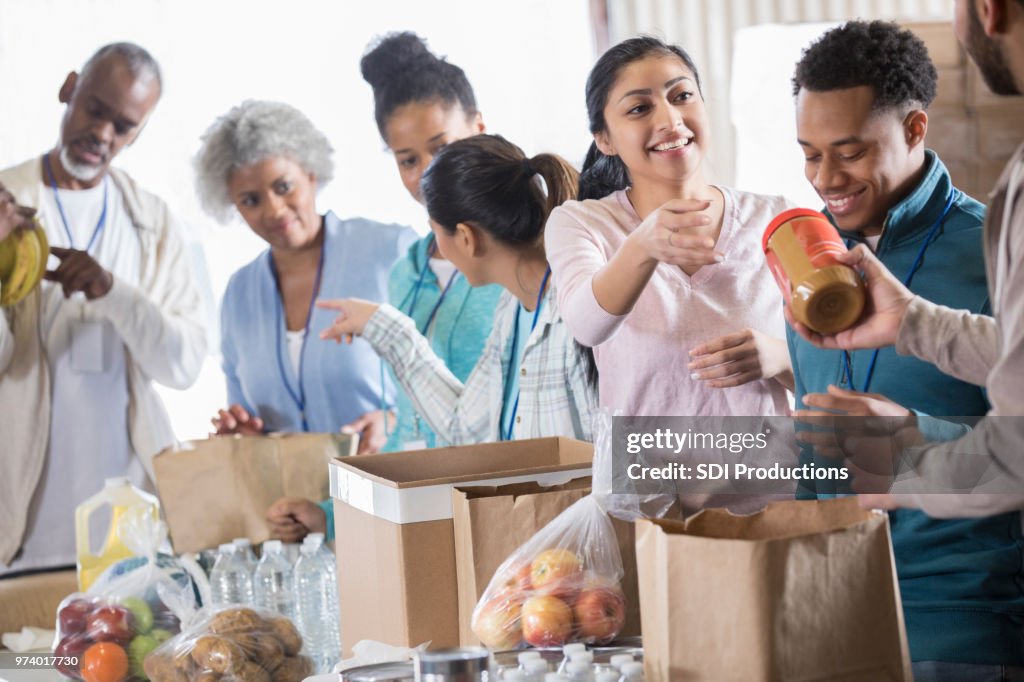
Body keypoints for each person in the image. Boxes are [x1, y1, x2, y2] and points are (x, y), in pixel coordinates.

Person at [786, 21, 1024, 679]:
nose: (826, 179)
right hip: (829, 622)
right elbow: (818, 456)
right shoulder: (807, 271)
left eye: (850, 151)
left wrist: (908, 448)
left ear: (916, 130)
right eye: (809, 154)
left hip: (960, 630)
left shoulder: (991, 251)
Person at [0, 43, 206, 576]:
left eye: (124, 126)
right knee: (21, 664)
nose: (104, 135)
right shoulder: (6, 201)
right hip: (20, 525)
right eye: (95, 109)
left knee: (123, 659)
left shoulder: (151, 220)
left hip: (128, 529)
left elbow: (182, 367)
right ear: (69, 89)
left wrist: (115, 292)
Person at [193, 100, 416, 542]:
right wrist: (243, 433)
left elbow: (451, 379)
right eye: (250, 200)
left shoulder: (390, 251)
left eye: (284, 186)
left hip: (391, 507)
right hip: (292, 531)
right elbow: (247, 412)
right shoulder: (238, 293)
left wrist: (394, 419)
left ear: (312, 174)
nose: (274, 210)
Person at [544, 37, 793, 421]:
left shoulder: (778, 219)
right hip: (648, 481)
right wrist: (643, 245)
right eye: (640, 108)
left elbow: (840, 376)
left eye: (681, 96)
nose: (670, 120)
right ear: (605, 139)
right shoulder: (581, 223)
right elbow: (586, 326)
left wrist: (781, 359)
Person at [319, 134, 597, 444]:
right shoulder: (512, 309)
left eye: (434, 230)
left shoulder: (582, 312)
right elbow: (463, 426)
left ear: (466, 237)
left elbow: (636, 468)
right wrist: (381, 325)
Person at [359, 32, 501, 452]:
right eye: (407, 159)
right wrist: (328, 514)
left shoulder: (528, 251)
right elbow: (410, 428)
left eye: (441, 148)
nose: (426, 174)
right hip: (428, 501)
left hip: (512, 492)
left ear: (479, 128)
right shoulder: (406, 273)